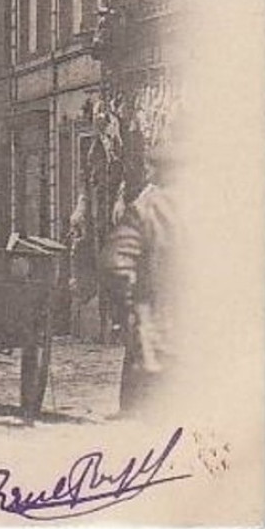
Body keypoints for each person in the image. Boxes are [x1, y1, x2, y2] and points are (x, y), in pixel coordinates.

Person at [100, 141, 177, 416]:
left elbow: (117, 262)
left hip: (154, 311)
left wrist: (128, 308)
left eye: (150, 166)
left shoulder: (149, 205)